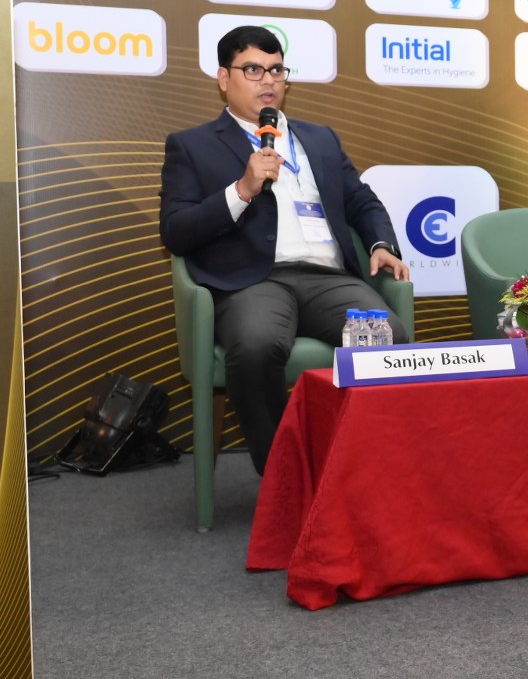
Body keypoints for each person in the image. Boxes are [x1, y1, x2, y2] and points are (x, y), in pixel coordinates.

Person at [160, 25, 411, 474]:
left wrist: (380, 243)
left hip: (327, 278)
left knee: (385, 336)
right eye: (253, 70)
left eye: (277, 70)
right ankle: (287, 475)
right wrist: (242, 188)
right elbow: (176, 231)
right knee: (256, 346)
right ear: (224, 78)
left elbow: (361, 200)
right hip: (253, 282)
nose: (269, 81)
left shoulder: (321, 139)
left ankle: (362, 468)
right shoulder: (192, 145)